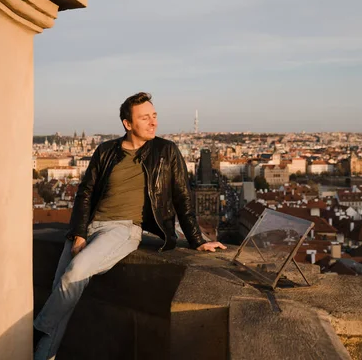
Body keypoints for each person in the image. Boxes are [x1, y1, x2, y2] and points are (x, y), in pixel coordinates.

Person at [33, 92, 226, 359]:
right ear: (127, 123)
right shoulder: (106, 151)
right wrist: (78, 233)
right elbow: (85, 193)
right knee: (62, 295)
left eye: (154, 116)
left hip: (123, 229)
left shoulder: (166, 151)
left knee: (74, 274)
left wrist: (197, 240)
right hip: (89, 227)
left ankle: (34, 330)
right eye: (145, 117)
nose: (153, 122)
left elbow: (182, 196)